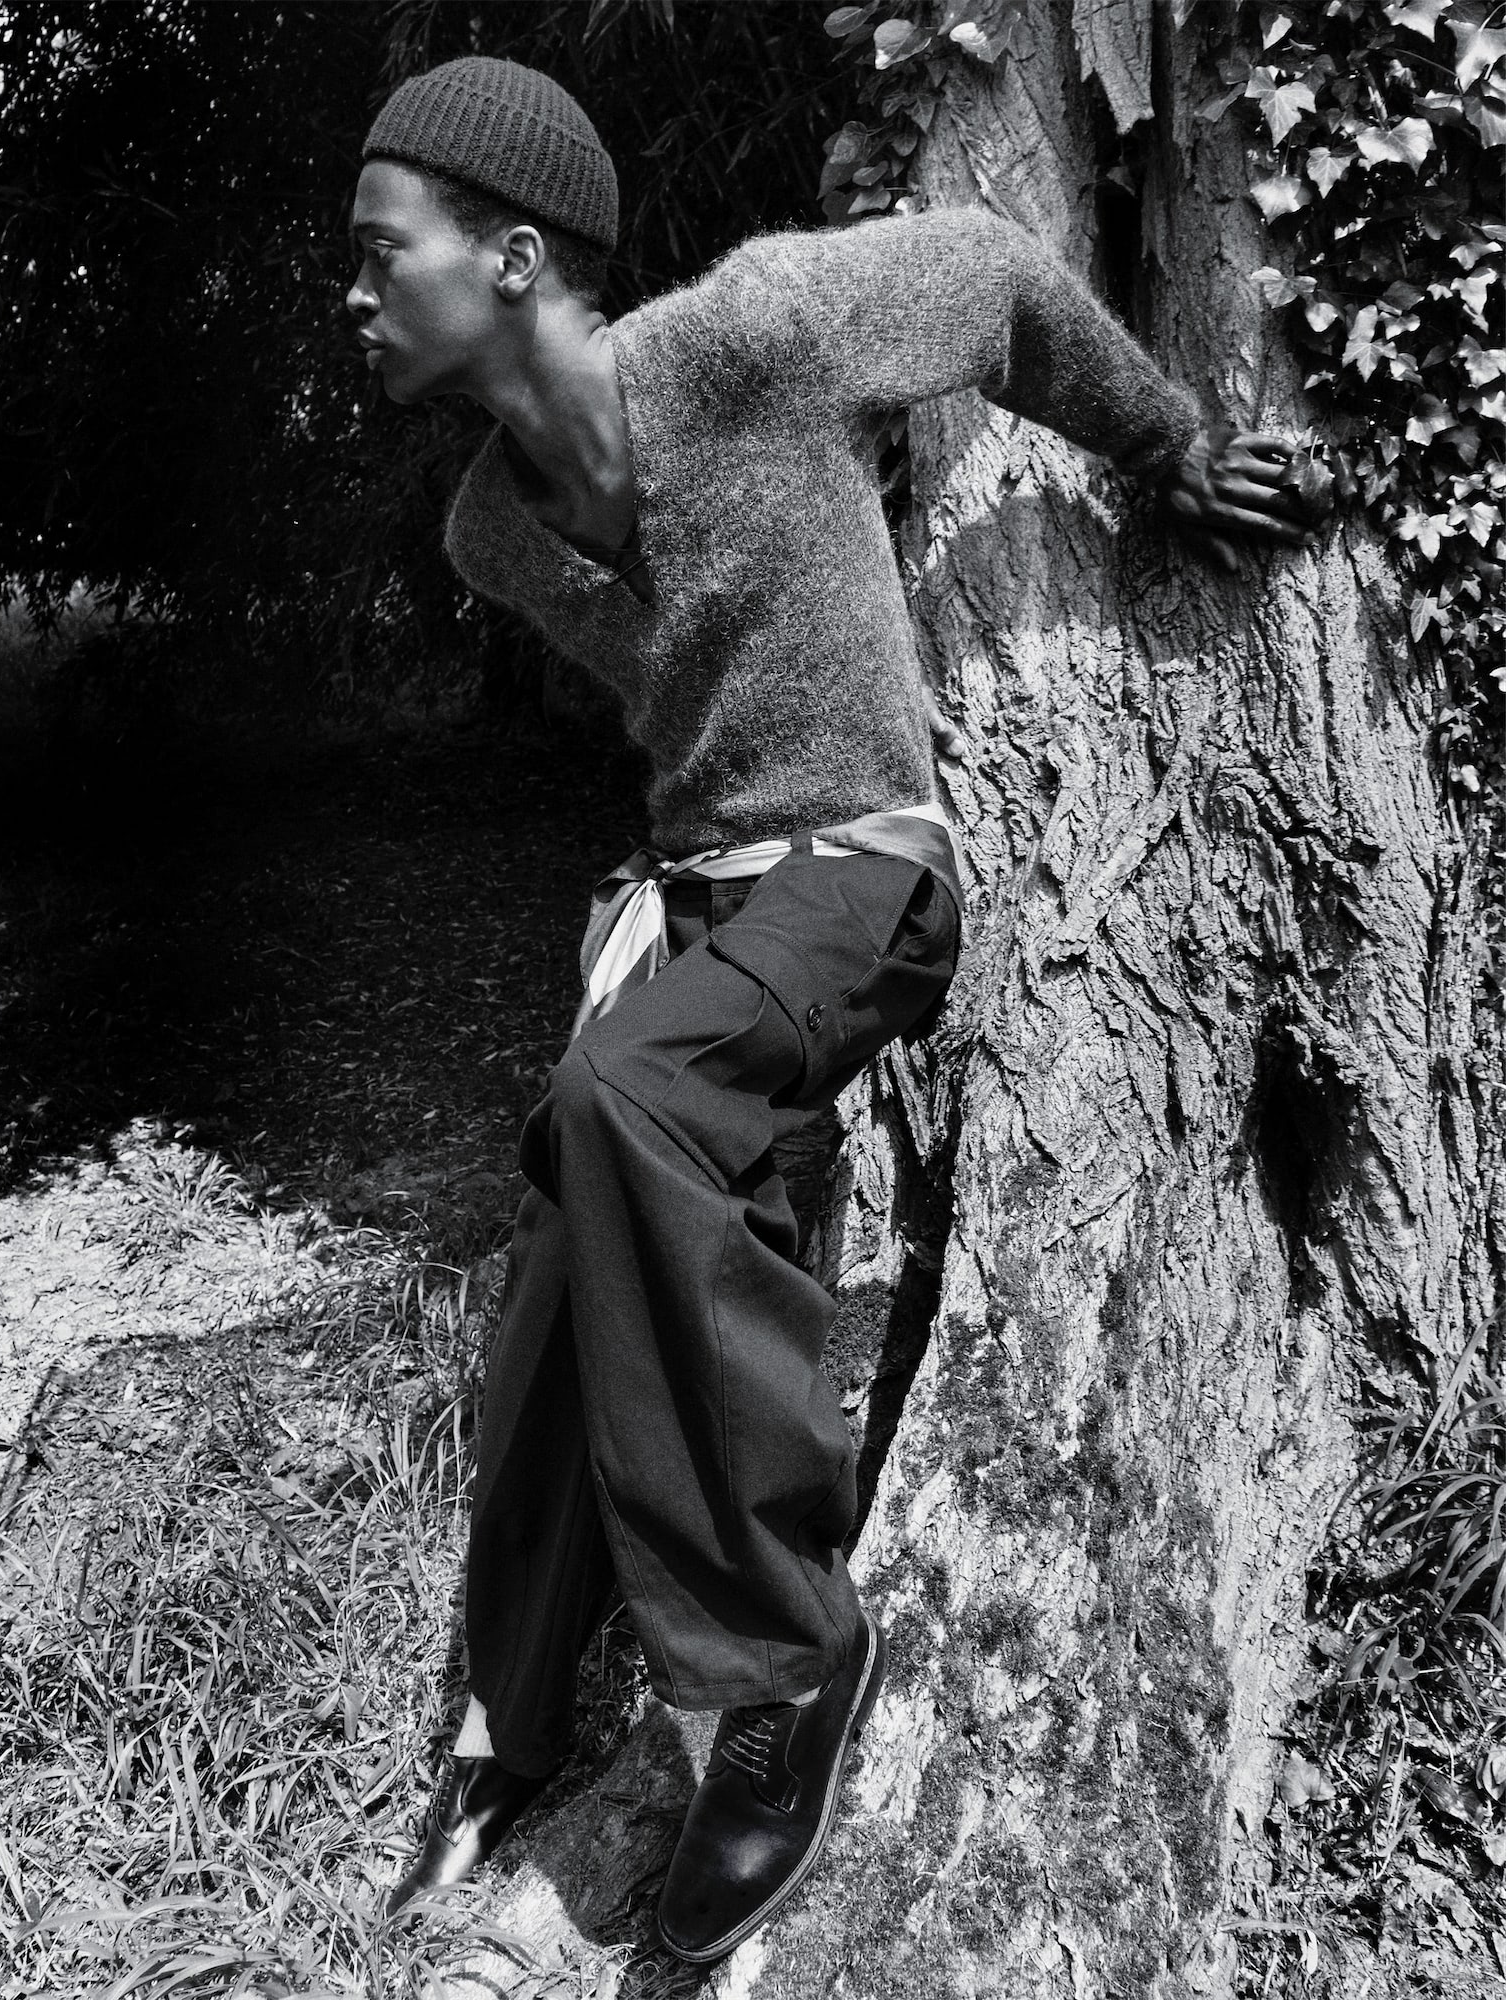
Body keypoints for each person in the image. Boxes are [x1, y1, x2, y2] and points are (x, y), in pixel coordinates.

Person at [346, 55, 1316, 1964]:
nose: (353, 291)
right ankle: (506, 1730)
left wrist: (1169, 443)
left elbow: (996, 278)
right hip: (711, 907)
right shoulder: (490, 532)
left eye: (385, 253)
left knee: (624, 1103)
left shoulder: (755, 335)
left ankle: (786, 1660)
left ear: (516, 258)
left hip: (867, 874)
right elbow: (683, 707)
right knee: (565, 1238)